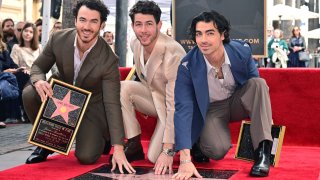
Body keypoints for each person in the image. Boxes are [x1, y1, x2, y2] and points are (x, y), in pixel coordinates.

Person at [22, 0, 135, 174]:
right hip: (61, 95)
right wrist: (38, 81)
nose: (87, 26)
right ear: (75, 20)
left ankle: (102, 137)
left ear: (102, 25)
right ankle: (45, 143)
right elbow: (37, 67)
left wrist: (118, 147)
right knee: (30, 93)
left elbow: (112, 103)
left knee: (86, 157)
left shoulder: (109, 59)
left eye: (93, 21)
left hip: (92, 104)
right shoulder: (58, 39)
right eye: (82, 20)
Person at [172, 11, 273, 179]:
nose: (203, 40)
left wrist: (264, 112)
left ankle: (263, 155)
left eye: (210, 33)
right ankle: (199, 141)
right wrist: (184, 159)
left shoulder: (242, 51)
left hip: (236, 101)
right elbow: (183, 109)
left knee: (258, 83)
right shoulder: (187, 66)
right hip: (211, 110)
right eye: (199, 34)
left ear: (222, 34)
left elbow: (255, 85)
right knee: (217, 150)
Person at [120, 0, 185, 175]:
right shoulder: (135, 43)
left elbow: (175, 103)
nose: (143, 30)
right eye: (138, 24)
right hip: (155, 99)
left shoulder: (173, 53)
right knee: (122, 88)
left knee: (154, 158)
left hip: (177, 109)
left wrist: (168, 150)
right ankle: (133, 142)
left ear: (159, 25)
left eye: (149, 24)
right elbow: (144, 80)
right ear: (132, 26)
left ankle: (189, 140)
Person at [0, 25, 21, 127]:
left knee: (23, 75)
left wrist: (18, 69)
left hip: (5, 77)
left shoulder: (3, 49)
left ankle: (16, 115)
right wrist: (4, 71)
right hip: (2, 77)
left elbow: (12, 65)